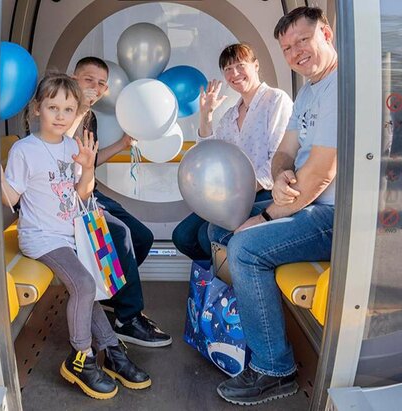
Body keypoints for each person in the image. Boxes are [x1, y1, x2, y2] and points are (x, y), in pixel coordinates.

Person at [208, 7, 338, 405]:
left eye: (303, 40)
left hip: (335, 215)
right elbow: (285, 151)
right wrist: (282, 175)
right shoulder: (310, 91)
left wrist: (263, 215)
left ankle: (273, 368)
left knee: (244, 248)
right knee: (219, 229)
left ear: (327, 35)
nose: (296, 52)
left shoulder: (340, 88)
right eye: (287, 48)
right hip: (303, 203)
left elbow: (320, 176)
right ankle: (243, 320)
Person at [1, 73, 151, 399]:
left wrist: (88, 167)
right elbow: (10, 198)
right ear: (37, 108)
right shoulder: (25, 150)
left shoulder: (72, 146)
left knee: (90, 285)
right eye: (52, 107)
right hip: (41, 237)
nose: (60, 116)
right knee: (83, 284)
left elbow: (83, 194)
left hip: (71, 234)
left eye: (68, 110)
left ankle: (112, 349)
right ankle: (81, 357)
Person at [67, 57, 172, 347]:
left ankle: (112, 293)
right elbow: (58, 151)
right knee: (119, 234)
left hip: (89, 192)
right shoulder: (63, 108)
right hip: (68, 199)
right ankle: (128, 318)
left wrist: (122, 145)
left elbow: (88, 162)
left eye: (101, 83)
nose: (95, 87)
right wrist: (80, 108)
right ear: (74, 79)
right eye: (88, 80)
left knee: (142, 237)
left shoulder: (90, 117)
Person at [172, 43, 293, 261]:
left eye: (240, 65)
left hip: (264, 190)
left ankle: (230, 272)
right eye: (228, 69)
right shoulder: (230, 115)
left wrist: (245, 190)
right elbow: (209, 155)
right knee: (182, 236)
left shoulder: (276, 100)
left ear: (256, 66)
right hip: (231, 196)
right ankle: (218, 272)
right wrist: (206, 115)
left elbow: (279, 156)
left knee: (206, 235)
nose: (234, 73)